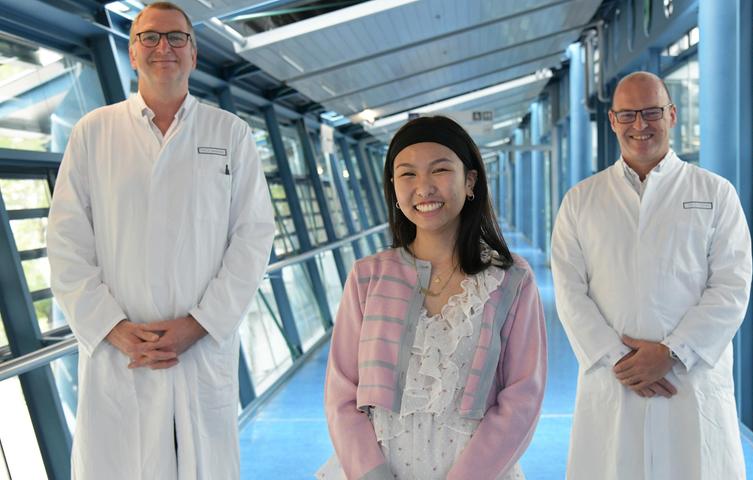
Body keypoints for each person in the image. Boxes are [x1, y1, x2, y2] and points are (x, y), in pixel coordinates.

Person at [46, 2, 275, 478]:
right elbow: (66, 241)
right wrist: (113, 328)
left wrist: (199, 323)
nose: (162, 48)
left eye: (176, 38)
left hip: (200, 347)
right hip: (119, 350)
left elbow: (253, 237)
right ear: (131, 53)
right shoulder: (94, 132)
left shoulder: (229, 133)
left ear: (194, 54)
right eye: (148, 37)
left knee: (201, 463)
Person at [318, 116, 547, 480]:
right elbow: (342, 394)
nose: (423, 188)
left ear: (470, 180)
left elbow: (523, 396)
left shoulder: (511, 279)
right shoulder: (368, 276)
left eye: (439, 170)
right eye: (407, 174)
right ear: (393, 187)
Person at [551, 71, 752, 479]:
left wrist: (672, 353)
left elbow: (731, 287)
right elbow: (569, 291)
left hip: (688, 379)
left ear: (672, 115)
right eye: (627, 115)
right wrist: (620, 360)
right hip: (614, 380)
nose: (640, 125)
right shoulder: (580, 201)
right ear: (612, 121)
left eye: (651, 112)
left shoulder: (716, 193)